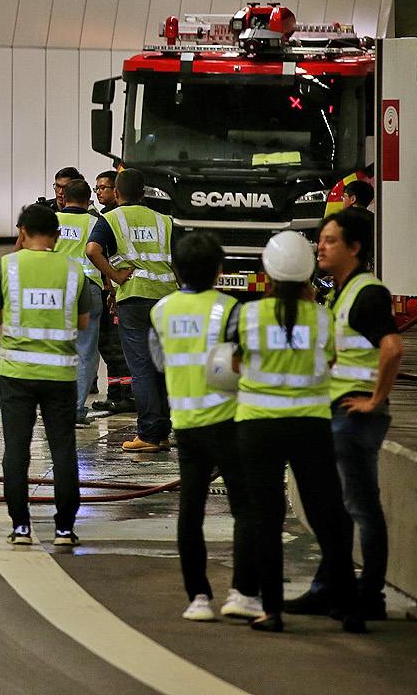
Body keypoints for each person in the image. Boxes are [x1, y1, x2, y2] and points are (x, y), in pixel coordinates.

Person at [230, 230, 364, 633]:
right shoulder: (322, 318)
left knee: (266, 517)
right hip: (311, 427)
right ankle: (351, 607)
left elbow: (235, 364)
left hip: (258, 427)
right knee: (327, 515)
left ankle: (271, 611)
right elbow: (331, 359)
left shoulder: (249, 315)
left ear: (267, 272)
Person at [283, 209, 403, 621]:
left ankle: (369, 595)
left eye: (331, 240)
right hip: (341, 413)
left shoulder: (367, 293)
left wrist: (374, 400)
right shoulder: (343, 292)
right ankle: (330, 588)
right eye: (321, 239)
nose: (321, 246)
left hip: (355, 416)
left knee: (359, 507)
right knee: (341, 507)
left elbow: (393, 348)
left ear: (355, 247)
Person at [148, 232, 261, 622]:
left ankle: (197, 598)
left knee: (190, 510)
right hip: (229, 422)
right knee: (245, 508)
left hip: (186, 424)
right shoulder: (231, 309)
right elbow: (243, 364)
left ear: (175, 270)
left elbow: (160, 363)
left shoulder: (160, 311)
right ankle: (243, 593)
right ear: (220, 270)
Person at [0, 204, 98, 547]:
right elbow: (82, 323)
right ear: (58, 236)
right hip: (60, 377)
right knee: (63, 451)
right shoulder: (74, 270)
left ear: (22, 232)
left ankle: (21, 528)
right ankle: (64, 528)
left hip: (17, 376)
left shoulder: (7, 266)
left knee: (16, 452)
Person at [87, 167, 176, 452]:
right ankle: (162, 432)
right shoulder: (165, 221)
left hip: (134, 299)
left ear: (116, 192)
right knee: (162, 368)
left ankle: (148, 434)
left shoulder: (111, 218)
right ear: (144, 193)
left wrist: (114, 277)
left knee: (141, 368)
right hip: (166, 299)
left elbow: (92, 250)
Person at [54, 179, 103, 426]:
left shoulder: (53, 221)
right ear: (88, 200)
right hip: (88, 289)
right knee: (85, 352)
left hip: (56, 291)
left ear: (64, 197)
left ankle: (55, 407)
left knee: (57, 349)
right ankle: (75, 410)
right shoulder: (95, 222)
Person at [90, 170, 135, 414]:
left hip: (121, 289)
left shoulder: (112, 220)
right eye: (96, 188)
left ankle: (127, 396)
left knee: (117, 347)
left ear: (116, 191)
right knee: (108, 346)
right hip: (109, 289)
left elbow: (100, 254)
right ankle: (115, 394)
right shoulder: (104, 217)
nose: (99, 192)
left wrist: (113, 286)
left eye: (103, 188)